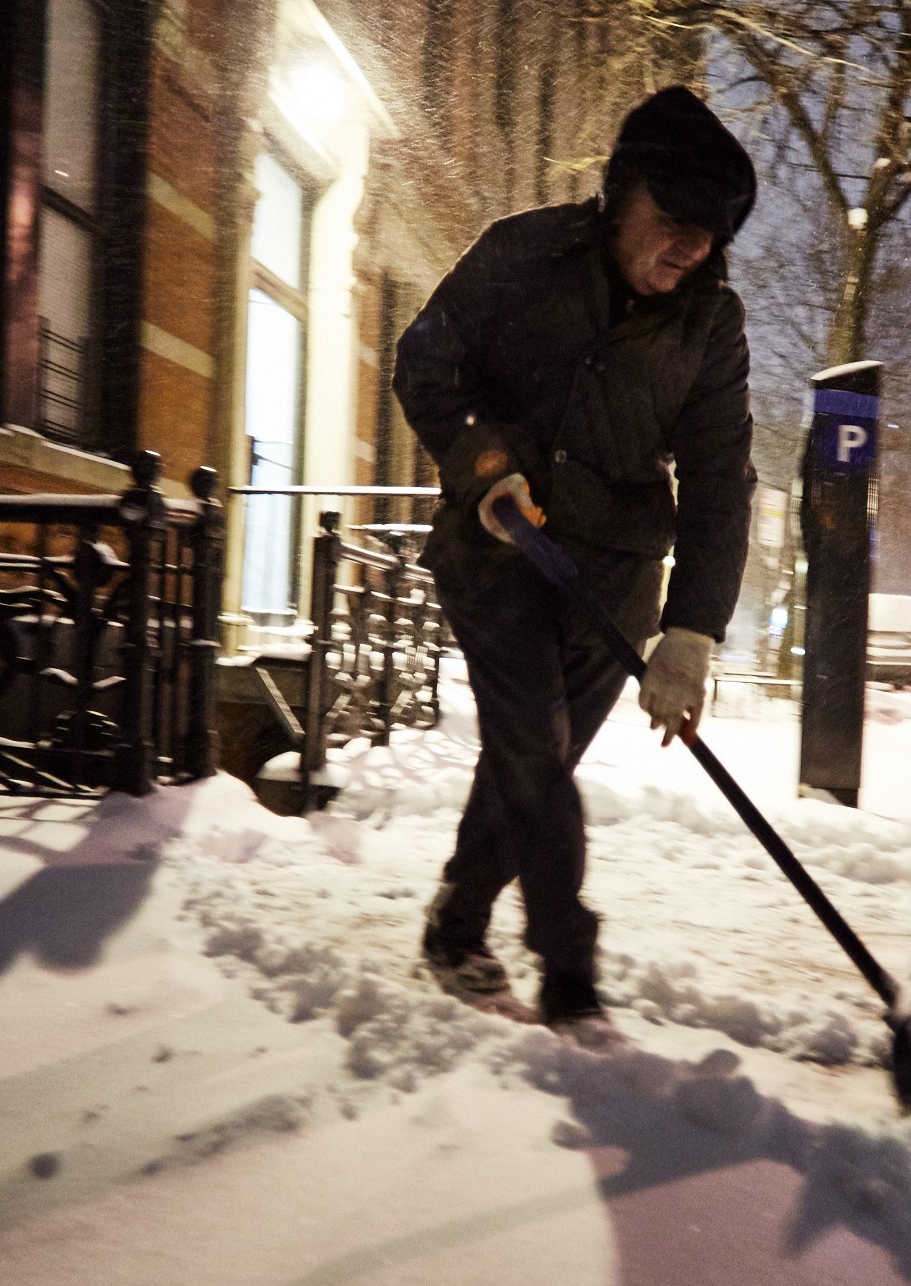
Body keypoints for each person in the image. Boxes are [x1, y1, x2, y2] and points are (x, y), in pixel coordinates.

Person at [392, 85, 757, 1033]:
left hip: (616, 577)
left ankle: (456, 925)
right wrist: (485, 463)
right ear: (622, 194)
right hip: (498, 546)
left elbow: (719, 481)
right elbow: (425, 362)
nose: (692, 248)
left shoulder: (710, 325)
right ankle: (570, 975)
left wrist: (691, 633)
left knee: (532, 762)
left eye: (711, 234)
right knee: (532, 743)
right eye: (674, 221)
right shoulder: (523, 252)